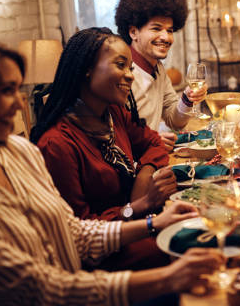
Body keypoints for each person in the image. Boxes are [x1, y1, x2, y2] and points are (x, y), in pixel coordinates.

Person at [0, 34, 223, 305]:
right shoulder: (54, 144)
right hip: (85, 283)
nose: (21, 103)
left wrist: (153, 220)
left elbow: (73, 231)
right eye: (7, 90)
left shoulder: (18, 153)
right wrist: (165, 272)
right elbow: (44, 288)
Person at [31, 28, 179, 271]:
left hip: (135, 227)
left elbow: (152, 142)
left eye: (130, 68)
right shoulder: (57, 144)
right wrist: (140, 206)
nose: (130, 76)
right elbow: (78, 232)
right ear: (87, 68)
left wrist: (144, 176)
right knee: (179, 249)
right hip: (100, 257)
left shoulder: (113, 114)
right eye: (120, 65)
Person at [115, 0, 207, 151]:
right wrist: (151, 139)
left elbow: (174, 121)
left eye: (170, 30)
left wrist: (187, 99)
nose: (166, 37)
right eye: (156, 28)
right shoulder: (120, 74)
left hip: (152, 159)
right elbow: (113, 135)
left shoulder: (157, 68)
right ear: (133, 32)